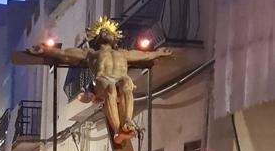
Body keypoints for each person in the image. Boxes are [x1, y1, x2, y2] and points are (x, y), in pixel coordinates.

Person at [29, 17, 172, 144]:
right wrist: (45, 50)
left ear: (115, 38)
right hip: (103, 81)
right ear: (97, 39)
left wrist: (158, 53)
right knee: (110, 88)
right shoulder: (91, 53)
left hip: (120, 79)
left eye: (109, 31)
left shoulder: (123, 53)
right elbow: (65, 53)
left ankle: (127, 120)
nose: (106, 31)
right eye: (103, 31)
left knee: (127, 82)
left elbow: (144, 56)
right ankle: (117, 130)